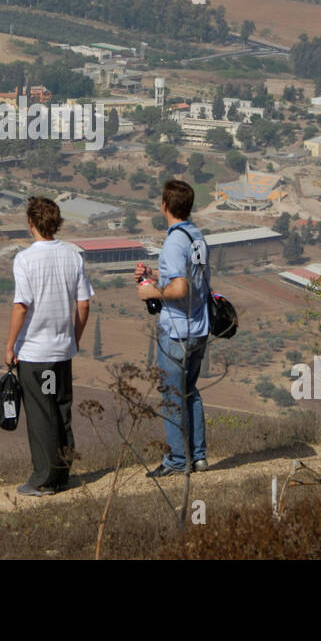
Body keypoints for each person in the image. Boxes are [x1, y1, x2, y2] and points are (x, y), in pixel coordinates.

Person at [5, 196, 93, 496]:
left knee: (41, 414)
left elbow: (21, 307)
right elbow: (83, 304)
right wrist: (75, 337)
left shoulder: (25, 259)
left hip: (35, 353)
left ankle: (43, 479)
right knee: (61, 410)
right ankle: (62, 473)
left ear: (31, 223)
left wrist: (10, 345)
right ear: (56, 222)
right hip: (62, 351)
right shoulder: (73, 256)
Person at [135, 179, 209, 476]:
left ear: (164, 206)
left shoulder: (173, 242)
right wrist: (156, 276)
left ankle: (178, 460)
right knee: (189, 391)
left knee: (171, 395)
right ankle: (199, 456)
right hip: (199, 328)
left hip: (177, 331)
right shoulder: (196, 237)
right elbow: (192, 280)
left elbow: (180, 288)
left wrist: (153, 292)